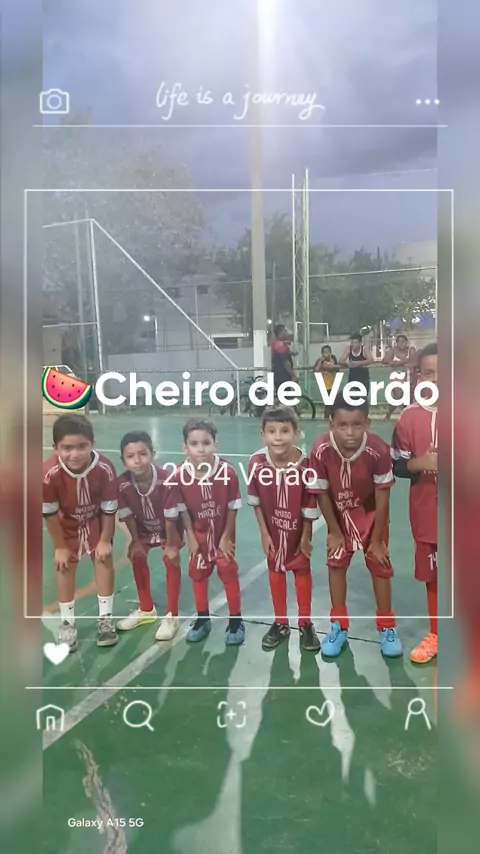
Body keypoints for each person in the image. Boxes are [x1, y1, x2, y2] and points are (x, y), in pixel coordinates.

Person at [308, 394, 403, 658]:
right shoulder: (320, 450)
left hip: (371, 516)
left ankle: (386, 626)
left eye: (357, 425)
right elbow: (321, 492)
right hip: (339, 516)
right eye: (342, 425)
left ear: (367, 423)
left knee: (380, 566)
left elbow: (383, 497)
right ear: (331, 424)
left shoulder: (378, 450)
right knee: (336, 565)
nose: (350, 432)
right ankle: (339, 625)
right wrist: (334, 531)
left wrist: (378, 539)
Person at [42, 414, 118, 651]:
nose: (75, 454)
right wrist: (60, 546)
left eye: (82, 446)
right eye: (67, 448)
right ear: (55, 448)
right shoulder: (49, 473)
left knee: (104, 558)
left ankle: (105, 619)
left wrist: (105, 540)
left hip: (95, 520)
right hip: (66, 524)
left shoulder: (105, 468)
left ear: (92, 444)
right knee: (64, 565)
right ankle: (68, 623)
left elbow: (109, 509)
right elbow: (49, 513)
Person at [247, 407, 320, 652]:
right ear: (263, 435)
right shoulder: (256, 463)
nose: (278, 437)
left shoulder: (306, 466)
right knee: (275, 568)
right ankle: (280, 622)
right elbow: (256, 501)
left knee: (301, 570)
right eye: (272, 431)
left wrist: (306, 537)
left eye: (285, 431)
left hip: (297, 532)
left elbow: (309, 505)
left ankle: (305, 623)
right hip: (273, 531)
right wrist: (264, 533)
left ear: (296, 433)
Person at [173, 418, 245, 645]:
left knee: (228, 572)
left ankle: (236, 620)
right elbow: (183, 510)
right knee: (198, 574)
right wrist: (191, 537)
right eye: (194, 444)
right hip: (199, 537)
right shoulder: (179, 475)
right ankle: (203, 619)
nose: (201, 449)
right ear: (185, 447)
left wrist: (227, 537)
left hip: (222, 536)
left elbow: (233, 507)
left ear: (216, 445)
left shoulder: (228, 472)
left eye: (206, 443)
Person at [391, 342, 438, 663]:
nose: (436, 379)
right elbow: (397, 464)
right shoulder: (409, 417)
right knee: (434, 577)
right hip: (427, 512)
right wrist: (421, 463)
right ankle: (437, 632)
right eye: (429, 373)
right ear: (419, 377)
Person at [116, 431, 183, 640]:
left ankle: (172, 615)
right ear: (123, 460)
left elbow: (171, 516)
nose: (137, 460)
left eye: (143, 454)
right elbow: (127, 515)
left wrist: (171, 545)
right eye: (130, 456)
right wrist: (135, 541)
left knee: (170, 558)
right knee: (137, 555)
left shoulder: (167, 479)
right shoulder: (121, 484)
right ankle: (146, 609)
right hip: (143, 528)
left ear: (153, 454)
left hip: (168, 528)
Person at [382, 333, 416, 420]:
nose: (401, 344)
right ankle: (389, 413)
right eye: (399, 342)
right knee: (398, 396)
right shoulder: (393, 350)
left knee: (407, 398)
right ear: (396, 343)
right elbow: (384, 360)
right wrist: (391, 362)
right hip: (396, 376)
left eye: (403, 342)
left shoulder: (411, 350)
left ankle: (404, 415)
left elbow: (413, 359)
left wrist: (398, 363)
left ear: (406, 342)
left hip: (408, 376)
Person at [313, 344, 339, 419]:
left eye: (328, 352)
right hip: (324, 385)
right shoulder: (320, 361)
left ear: (331, 352)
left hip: (333, 384)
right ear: (322, 353)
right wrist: (321, 362)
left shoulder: (333, 358)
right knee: (327, 404)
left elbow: (336, 368)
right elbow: (316, 370)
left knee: (334, 403)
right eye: (324, 352)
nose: (326, 354)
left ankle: (333, 417)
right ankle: (326, 418)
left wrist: (331, 368)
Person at [271, 324, 296, 393]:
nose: (287, 333)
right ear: (282, 332)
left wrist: (292, 353)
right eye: (285, 331)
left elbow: (286, 353)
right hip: (282, 377)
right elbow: (285, 362)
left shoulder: (279, 343)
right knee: (284, 397)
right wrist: (293, 376)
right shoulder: (279, 345)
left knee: (283, 396)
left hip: (280, 377)